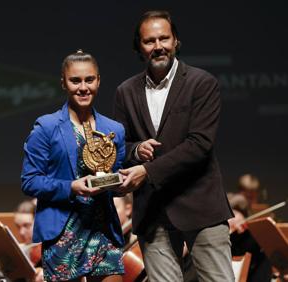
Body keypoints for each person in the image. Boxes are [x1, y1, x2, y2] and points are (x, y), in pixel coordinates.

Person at [113, 10, 234, 281]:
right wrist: (135, 150)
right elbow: (121, 146)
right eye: (149, 41)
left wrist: (148, 171)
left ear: (176, 40)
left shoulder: (201, 83)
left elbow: (199, 144)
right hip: (153, 212)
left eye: (164, 38)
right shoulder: (125, 91)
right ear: (139, 47)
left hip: (201, 207)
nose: (158, 46)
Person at [21, 50, 126, 282]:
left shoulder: (114, 129)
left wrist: (120, 182)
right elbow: (30, 181)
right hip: (63, 230)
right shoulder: (46, 127)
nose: (83, 87)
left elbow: (116, 180)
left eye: (89, 79)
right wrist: (72, 187)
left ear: (98, 80)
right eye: (75, 80)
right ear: (63, 83)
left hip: (103, 229)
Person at [0, 199, 43, 282]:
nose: (21, 232)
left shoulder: (52, 249)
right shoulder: (18, 250)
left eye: (26, 225)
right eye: (18, 227)